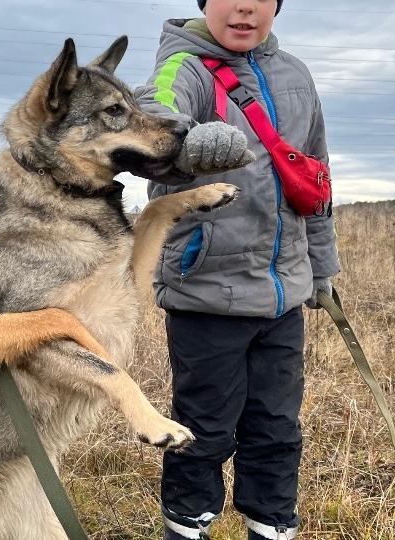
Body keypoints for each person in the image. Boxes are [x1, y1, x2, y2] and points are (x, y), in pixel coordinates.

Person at [134, 0, 339, 539]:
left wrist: (321, 267)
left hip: (283, 298)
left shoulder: (296, 75)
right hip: (207, 297)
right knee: (202, 432)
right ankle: (185, 527)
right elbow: (152, 115)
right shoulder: (186, 67)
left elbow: (315, 180)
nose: (245, 7)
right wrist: (186, 145)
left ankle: (271, 527)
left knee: (277, 430)